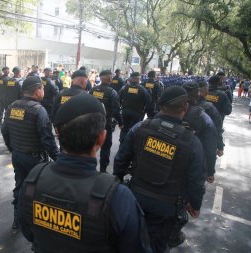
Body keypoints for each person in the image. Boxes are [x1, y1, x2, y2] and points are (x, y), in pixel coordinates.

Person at [18, 94, 152, 253]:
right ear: (101, 138)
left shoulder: (34, 178)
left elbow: (28, 231)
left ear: (57, 133)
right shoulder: (118, 197)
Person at [114, 86, 206, 253]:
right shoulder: (192, 142)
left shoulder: (140, 128)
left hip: (134, 198)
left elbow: (121, 159)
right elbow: (196, 179)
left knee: (127, 241)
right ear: (185, 107)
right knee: (157, 246)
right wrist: (196, 204)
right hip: (167, 207)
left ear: (160, 105)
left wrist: (116, 184)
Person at [1, 76, 60, 230]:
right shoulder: (39, 111)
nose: (43, 91)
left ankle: (18, 220)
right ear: (37, 90)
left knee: (20, 187)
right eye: (42, 88)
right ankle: (37, 224)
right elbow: (48, 140)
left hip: (17, 155)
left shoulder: (12, 106)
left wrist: (12, 148)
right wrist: (59, 158)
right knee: (39, 191)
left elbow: (4, 130)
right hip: (35, 159)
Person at [182, 82, 217, 182]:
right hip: (195, 162)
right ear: (197, 94)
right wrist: (210, 171)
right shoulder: (205, 116)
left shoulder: (171, 109)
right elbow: (210, 147)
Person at [89, 70, 123, 173]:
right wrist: (121, 122)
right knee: (105, 147)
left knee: (90, 146)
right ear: (109, 79)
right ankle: (103, 170)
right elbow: (116, 110)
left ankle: (89, 168)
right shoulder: (112, 92)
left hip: (91, 122)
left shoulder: (93, 90)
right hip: (105, 124)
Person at [118, 72, 153, 143]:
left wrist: (122, 107)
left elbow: (118, 99)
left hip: (125, 112)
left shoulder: (124, 88)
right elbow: (149, 103)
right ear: (138, 79)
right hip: (137, 113)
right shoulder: (143, 89)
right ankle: (129, 145)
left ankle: (122, 143)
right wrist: (149, 115)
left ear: (131, 79)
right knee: (134, 130)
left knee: (124, 129)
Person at [197, 81, 224, 157]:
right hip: (207, 145)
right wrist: (220, 147)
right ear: (206, 92)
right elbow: (217, 128)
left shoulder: (185, 105)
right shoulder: (210, 107)